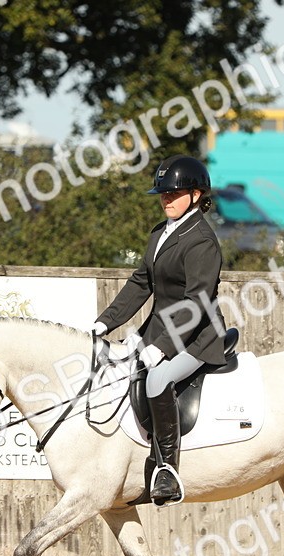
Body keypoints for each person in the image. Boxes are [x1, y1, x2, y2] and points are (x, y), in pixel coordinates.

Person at [92, 154, 228, 507]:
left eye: (174, 193)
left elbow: (196, 303)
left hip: (199, 337)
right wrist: (106, 320)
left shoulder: (201, 241)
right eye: (162, 193)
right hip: (160, 330)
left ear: (197, 195)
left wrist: (162, 346)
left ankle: (166, 470)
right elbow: (142, 282)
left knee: (156, 380)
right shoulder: (161, 233)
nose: (166, 199)